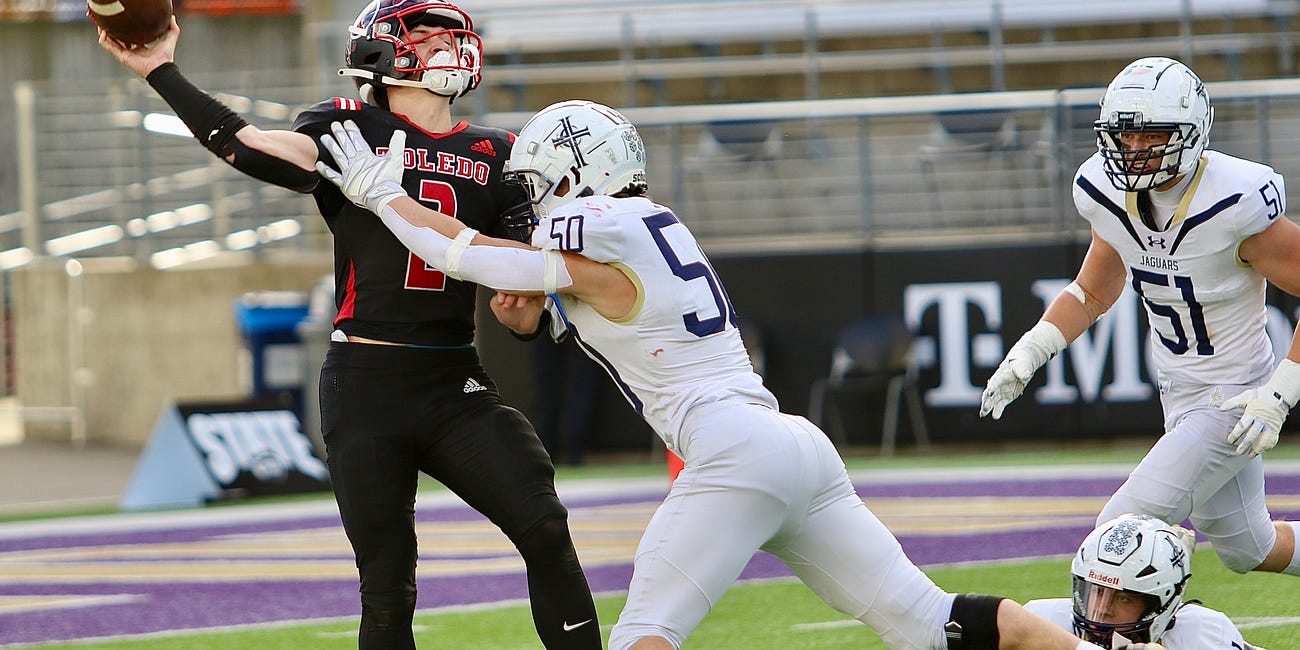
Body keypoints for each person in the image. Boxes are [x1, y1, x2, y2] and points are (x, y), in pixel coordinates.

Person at [313, 102, 1144, 650]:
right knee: (929, 624)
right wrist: (524, 306)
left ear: (575, 177)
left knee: (644, 635)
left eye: (540, 185)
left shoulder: (596, 222)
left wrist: (387, 197)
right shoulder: (644, 225)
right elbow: (545, 299)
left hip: (732, 453)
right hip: (795, 450)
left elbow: (460, 250)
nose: (534, 202)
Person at [95, 3, 602, 649]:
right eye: (423, 33)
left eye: (451, 32)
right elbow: (252, 147)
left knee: (545, 525)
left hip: (456, 382)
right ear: (380, 52)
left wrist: (523, 310)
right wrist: (161, 70)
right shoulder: (349, 125)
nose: (444, 43)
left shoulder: (499, 152)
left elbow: (524, 300)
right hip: (367, 383)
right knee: (387, 589)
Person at [979, 56, 1300, 581]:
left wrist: (1281, 392)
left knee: (1119, 532)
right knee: (1249, 547)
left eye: (1151, 136)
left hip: (1234, 398)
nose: (1134, 150)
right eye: (1125, 136)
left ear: (1192, 131)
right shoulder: (1107, 194)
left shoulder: (1236, 202)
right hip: (1179, 392)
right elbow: (1091, 291)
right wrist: (1031, 350)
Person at [1025, 513, 1260, 649]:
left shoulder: (1204, 636)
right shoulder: (1040, 622)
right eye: (1096, 591)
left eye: (1124, 598)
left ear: (1163, 603)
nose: (1103, 610)